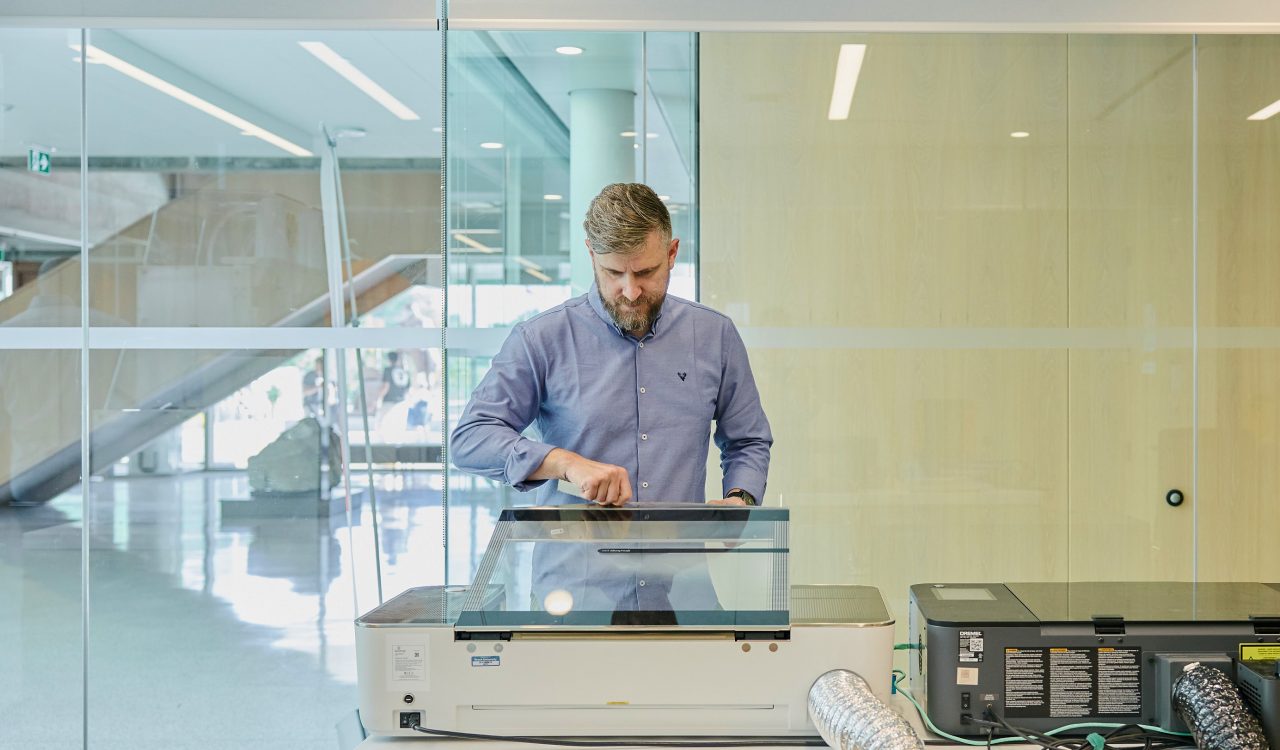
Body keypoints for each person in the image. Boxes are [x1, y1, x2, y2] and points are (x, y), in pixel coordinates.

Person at [450, 182, 772, 615]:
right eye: (613, 273)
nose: (630, 291)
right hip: (572, 600)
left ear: (672, 253)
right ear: (591, 256)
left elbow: (748, 440)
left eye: (645, 273)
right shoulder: (541, 339)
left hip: (681, 597)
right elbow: (470, 440)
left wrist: (740, 499)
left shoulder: (714, 336)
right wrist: (564, 462)